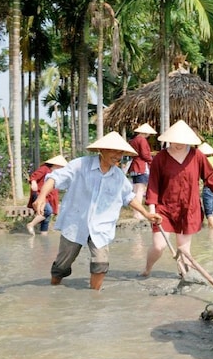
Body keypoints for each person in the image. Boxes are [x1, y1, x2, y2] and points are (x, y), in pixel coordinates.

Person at [33, 132, 162, 290]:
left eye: (121, 153)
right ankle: (53, 287)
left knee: (100, 264)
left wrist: (146, 214)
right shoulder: (80, 165)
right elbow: (54, 178)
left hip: (101, 226)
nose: (118, 156)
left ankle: (95, 297)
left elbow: (129, 197)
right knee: (61, 265)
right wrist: (41, 196)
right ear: (102, 150)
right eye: (114, 151)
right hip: (76, 223)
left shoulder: (119, 177)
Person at [141, 121, 213, 276]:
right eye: (175, 141)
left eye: (182, 141)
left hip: (188, 208)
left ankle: (184, 278)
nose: (178, 144)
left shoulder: (197, 155)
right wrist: (151, 210)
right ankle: (147, 269)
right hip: (164, 208)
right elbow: (153, 185)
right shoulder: (160, 158)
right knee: (159, 246)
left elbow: (209, 175)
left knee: (184, 250)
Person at [25, 154, 68, 235]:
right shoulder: (45, 169)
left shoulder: (57, 174)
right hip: (40, 194)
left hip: (49, 197)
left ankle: (43, 235)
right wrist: (33, 182)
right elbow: (34, 176)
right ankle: (31, 224)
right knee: (47, 211)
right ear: (57, 164)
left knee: (47, 217)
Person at [128, 122, 157, 219]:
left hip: (134, 166)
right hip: (141, 166)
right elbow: (145, 155)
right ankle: (137, 213)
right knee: (140, 190)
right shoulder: (142, 140)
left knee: (136, 190)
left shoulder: (133, 140)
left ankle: (135, 213)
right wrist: (151, 161)